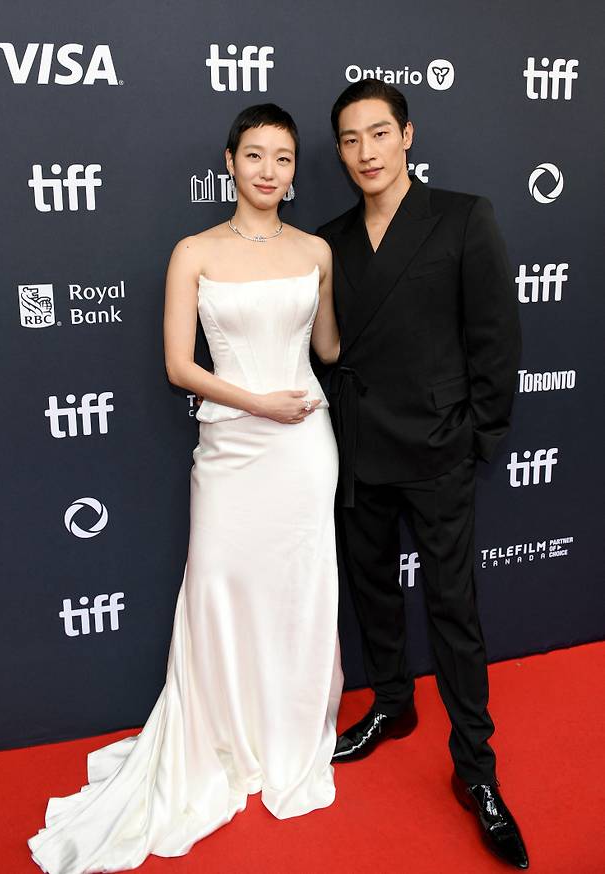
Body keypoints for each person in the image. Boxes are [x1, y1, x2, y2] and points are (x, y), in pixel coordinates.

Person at [28, 103, 343, 874]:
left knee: (300, 588)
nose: (271, 170)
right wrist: (257, 400)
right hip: (234, 443)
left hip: (304, 443)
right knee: (219, 587)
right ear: (229, 162)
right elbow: (180, 365)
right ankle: (222, 737)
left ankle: (286, 735)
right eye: (256, 155)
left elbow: (329, 345)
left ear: (295, 168)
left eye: (285, 157)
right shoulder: (193, 252)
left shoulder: (317, 250)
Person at [316, 81, 529, 869]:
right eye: (349, 139)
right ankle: (394, 708)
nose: (366, 151)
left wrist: (476, 437)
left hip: (439, 449)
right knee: (371, 590)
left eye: (379, 133)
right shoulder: (329, 237)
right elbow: (328, 347)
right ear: (338, 151)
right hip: (360, 448)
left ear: (407, 135)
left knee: (453, 609)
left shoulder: (464, 218)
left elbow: (495, 341)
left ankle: (477, 772)